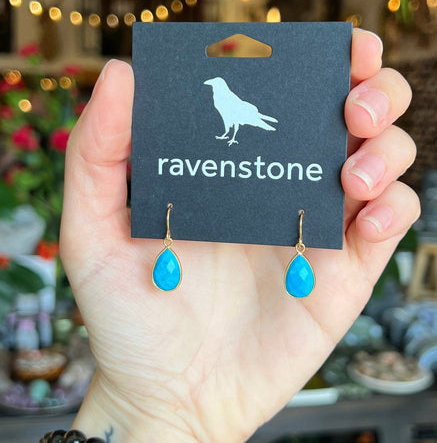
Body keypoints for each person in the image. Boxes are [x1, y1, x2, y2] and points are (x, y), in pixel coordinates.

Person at [59, 28, 418, 443]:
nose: (211, 85)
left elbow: (240, 114)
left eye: (213, 82)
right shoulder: (216, 96)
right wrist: (148, 411)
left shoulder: (227, 97)